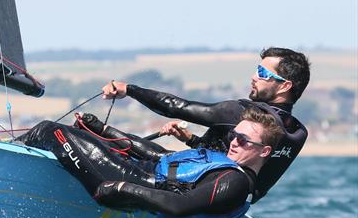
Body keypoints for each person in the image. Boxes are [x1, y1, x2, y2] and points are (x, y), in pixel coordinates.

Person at [97, 47, 310, 200]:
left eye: (263, 73)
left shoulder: (246, 115)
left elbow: (177, 106)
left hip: (193, 193)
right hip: (227, 203)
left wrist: (129, 89)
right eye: (257, 69)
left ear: (285, 86)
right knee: (152, 151)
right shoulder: (296, 132)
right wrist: (192, 140)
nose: (254, 77)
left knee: (125, 153)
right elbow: (234, 161)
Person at [20, 108, 284, 218]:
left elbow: (179, 206)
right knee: (65, 132)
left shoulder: (234, 182)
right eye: (233, 135)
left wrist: (123, 187)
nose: (233, 142)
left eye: (243, 140)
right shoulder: (222, 166)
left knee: (49, 130)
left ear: (264, 151)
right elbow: (161, 157)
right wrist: (103, 130)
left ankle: (2, 152)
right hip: (135, 170)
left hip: (128, 181)